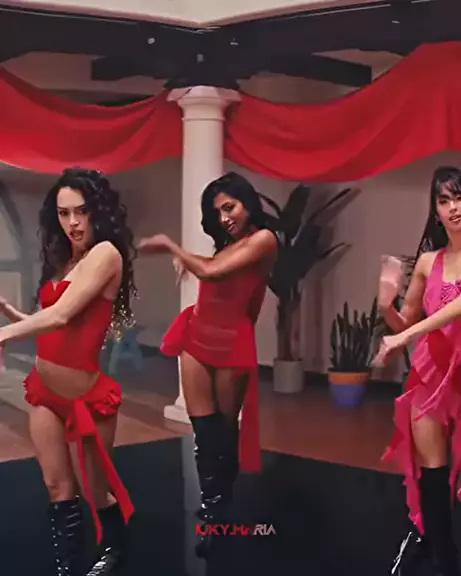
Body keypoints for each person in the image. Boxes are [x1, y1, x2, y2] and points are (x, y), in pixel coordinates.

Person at [0, 168, 137, 576]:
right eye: (63, 214)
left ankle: (115, 548)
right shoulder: (68, 259)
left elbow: (61, 315)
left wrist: (3, 334)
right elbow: (56, 323)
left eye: (81, 211)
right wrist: (14, 315)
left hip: (85, 397)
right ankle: (67, 565)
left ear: (98, 211)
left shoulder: (106, 254)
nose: (73, 223)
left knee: (95, 490)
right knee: (56, 486)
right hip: (45, 391)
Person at [137, 171, 279, 557]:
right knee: (204, 433)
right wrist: (190, 259)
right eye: (217, 213)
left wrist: (172, 246)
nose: (224, 218)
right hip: (197, 335)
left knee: (223, 432)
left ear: (247, 202)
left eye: (229, 207)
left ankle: (221, 501)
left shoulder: (264, 240)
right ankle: (213, 508)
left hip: (231, 343)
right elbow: (210, 268)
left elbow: (213, 272)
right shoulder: (226, 245)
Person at [374, 166, 461, 576]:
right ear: (435, 211)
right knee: (434, 480)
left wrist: (403, 338)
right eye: (444, 201)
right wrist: (385, 304)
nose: (454, 207)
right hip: (431, 376)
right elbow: (405, 324)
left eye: (459, 197)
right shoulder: (429, 262)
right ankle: (443, 560)